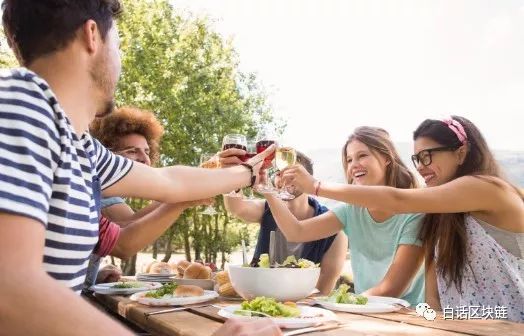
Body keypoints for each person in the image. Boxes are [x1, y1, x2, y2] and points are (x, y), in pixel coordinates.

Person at [0, 1, 278, 335]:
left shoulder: (81, 146)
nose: (119, 60)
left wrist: (247, 172)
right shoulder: (21, 102)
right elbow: (10, 289)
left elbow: (168, 181)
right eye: (116, 43)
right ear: (92, 36)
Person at [281, 117, 524, 321]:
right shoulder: (440, 214)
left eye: (427, 156)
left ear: (460, 153)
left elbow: (399, 200)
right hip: (462, 324)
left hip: (510, 323)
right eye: (417, 159)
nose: (421, 167)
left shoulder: (487, 188)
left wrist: (316, 186)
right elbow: (434, 298)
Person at [259, 127, 426, 306]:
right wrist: (267, 190)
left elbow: (391, 289)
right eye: (349, 159)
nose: (354, 165)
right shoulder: (351, 211)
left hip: (407, 317)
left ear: (386, 158)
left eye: (362, 155)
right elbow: (296, 232)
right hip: (363, 313)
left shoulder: (414, 213)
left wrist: (334, 303)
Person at [84, 106, 212, 287]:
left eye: (146, 151)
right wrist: (183, 194)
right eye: (132, 151)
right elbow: (126, 233)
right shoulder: (100, 191)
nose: (144, 159)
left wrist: (95, 274)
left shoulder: (110, 194)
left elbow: (127, 225)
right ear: (107, 155)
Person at [221, 149, 347, 294]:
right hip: (260, 299)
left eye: (293, 173)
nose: (284, 177)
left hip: (303, 309)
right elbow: (237, 208)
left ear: (308, 178)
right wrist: (232, 174)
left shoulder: (334, 229)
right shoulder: (267, 209)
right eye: (279, 173)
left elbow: (323, 288)